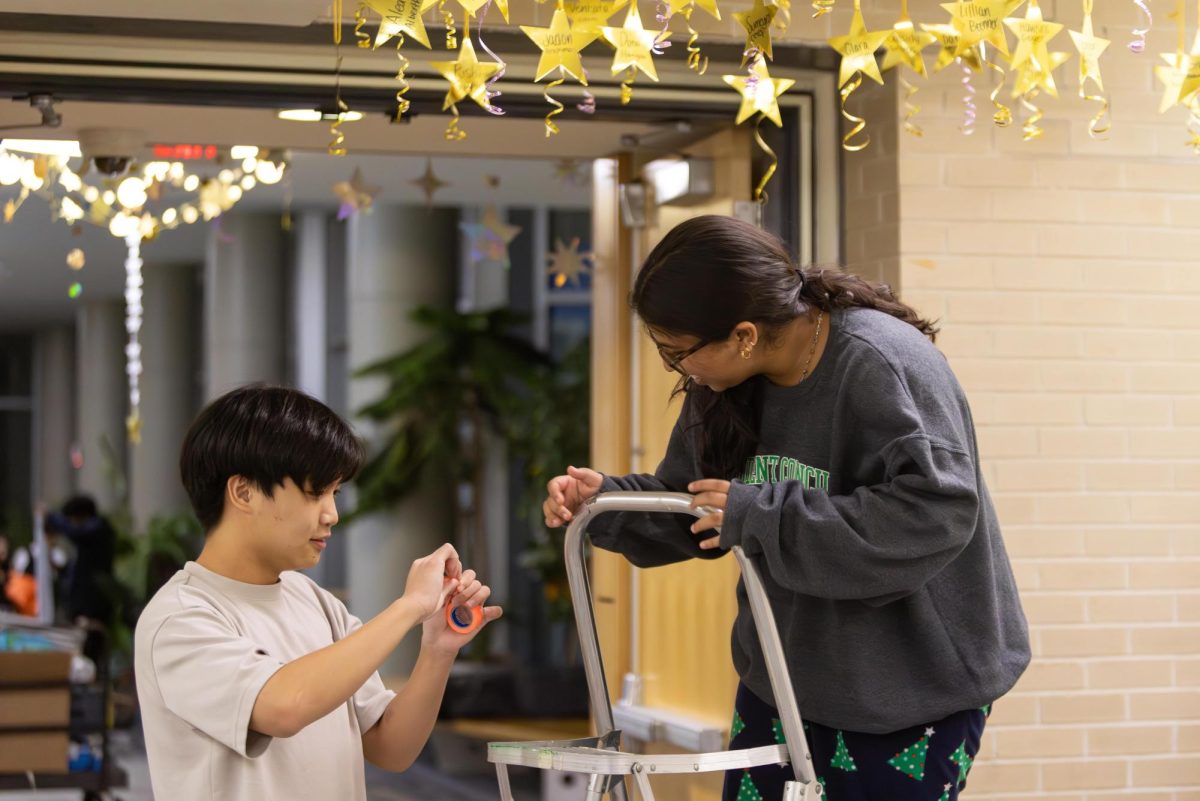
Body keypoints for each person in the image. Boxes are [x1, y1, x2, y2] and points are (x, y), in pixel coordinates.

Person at [543, 215, 1029, 801]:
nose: (679, 370)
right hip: (783, 678)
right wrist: (606, 503)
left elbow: (936, 513)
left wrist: (763, 515)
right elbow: (700, 507)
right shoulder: (724, 389)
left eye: (678, 354)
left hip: (909, 687)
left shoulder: (882, 362)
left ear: (744, 334)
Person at [135, 385, 502, 801]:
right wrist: (409, 606)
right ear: (243, 492)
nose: (332, 514)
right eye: (315, 493)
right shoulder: (180, 618)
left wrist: (437, 650)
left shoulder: (315, 601)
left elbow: (391, 747)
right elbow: (285, 706)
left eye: (334, 493)